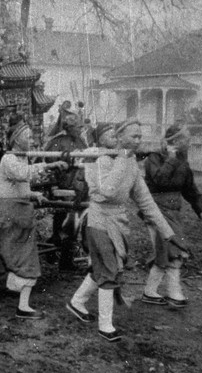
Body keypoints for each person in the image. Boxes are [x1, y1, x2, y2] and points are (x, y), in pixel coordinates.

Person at [67, 119, 186, 342]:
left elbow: (146, 201)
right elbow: (107, 192)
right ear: (119, 137)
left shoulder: (130, 163)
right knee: (109, 269)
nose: (138, 141)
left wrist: (168, 233)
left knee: (103, 268)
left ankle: (77, 301)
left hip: (118, 223)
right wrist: (122, 159)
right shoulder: (98, 159)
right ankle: (105, 325)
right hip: (99, 220)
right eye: (134, 137)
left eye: (140, 137)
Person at [0, 115, 68, 319]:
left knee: (27, 261)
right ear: (17, 139)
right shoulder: (9, 158)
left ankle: (23, 306)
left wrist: (33, 194)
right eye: (27, 137)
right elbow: (23, 174)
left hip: (23, 218)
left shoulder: (22, 158)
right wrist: (50, 165)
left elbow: (20, 187)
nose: (31, 141)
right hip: (7, 218)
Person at [141, 123, 202, 308]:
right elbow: (160, 180)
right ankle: (171, 293)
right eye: (186, 139)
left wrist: (201, 208)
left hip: (173, 212)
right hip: (156, 211)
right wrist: (170, 159)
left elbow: (190, 188)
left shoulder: (182, 162)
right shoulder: (154, 158)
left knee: (171, 252)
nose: (189, 142)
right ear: (176, 141)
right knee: (169, 252)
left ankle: (153, 292)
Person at [44, 112, 87, 270]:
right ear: (69, 127)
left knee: (73, 224)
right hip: (63, 187)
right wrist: (53, 185)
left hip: (79, 187)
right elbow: (48, 164)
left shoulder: (81, 141)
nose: (81, 129)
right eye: (78, 127)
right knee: (64, 222)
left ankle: (65, 259)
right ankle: (55, 250)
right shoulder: (57, 142)